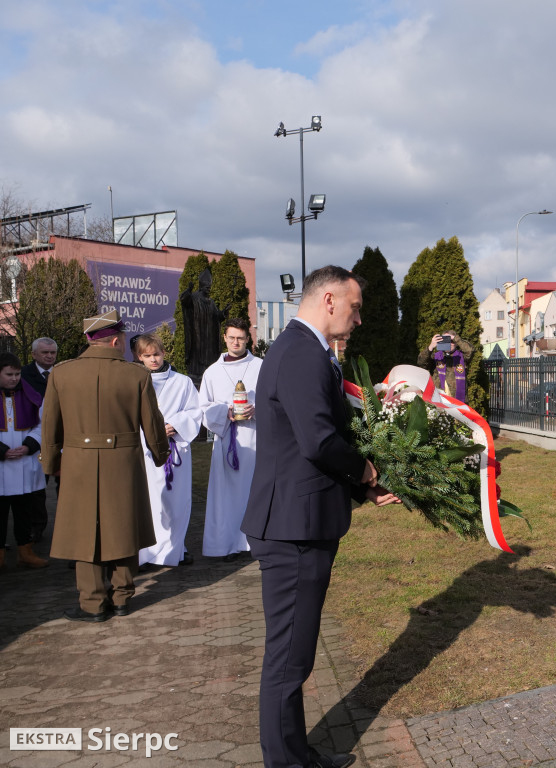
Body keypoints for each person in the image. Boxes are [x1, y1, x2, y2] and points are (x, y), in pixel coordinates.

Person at [241, 266, 398, 768]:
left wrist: (360, 488)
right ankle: (285, 762)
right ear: (329, 300)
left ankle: (294, 754)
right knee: (289, 660)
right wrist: (366, 471)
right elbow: (319, 441)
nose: (357, 320)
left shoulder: (303, 350)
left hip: (298, 520)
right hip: (294, 530)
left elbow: (308, 440)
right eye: (354, 308)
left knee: (295, 657)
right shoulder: (303, 353)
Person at [41, 309, 169, 622]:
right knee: (123, 527)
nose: (125, 344)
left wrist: (51, 463)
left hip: (78, 464)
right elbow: (152, 422)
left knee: (84, 532)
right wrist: (160, 453)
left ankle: (92, 604)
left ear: (89, 340)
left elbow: (50, 425)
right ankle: (123, 597)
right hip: (123, 462)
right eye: (124, 339)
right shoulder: (136, 374)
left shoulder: (61, 372)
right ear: (113, 340)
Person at [132, 333, 203, 568]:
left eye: (156, 354)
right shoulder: (134, 381)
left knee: (176, 501)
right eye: (147, 356)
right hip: (145, 451)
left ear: (163, 353)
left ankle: (176, 548)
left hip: (175, 451)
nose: (153, 360)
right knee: (151, 501)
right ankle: (148, 551)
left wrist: (177, 424)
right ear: (139, 357)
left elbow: (195, 410)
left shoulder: (181, 382)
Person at [199, 318, 261, 560]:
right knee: (226, 494)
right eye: (232, 337)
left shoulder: (260, 366)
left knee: (254, 491)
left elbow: (275, 399)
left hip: (256, 438)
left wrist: (256, 409)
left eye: (241, 338)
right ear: (224, 338)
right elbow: (202, 407)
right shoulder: (212, 372)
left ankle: (254, 542)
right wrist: (224, 413)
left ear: (248, 339)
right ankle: (227, 543)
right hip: (227, 440)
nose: (236, 342)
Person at [0, 352, 48, 570]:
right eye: (9, 374)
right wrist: (1, 450)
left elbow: (42, 423)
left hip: (23, 462)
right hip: (1, 465)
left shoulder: (30, 394)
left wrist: (29, 444)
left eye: (17, 374)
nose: (14, 378)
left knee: (24, 512)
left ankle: (25, 552)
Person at [20, 337, 59, 543]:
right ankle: (36, 528)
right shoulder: (23, 376)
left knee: (65, 485)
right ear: (34, 354)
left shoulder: (63, 373)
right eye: (45, 352)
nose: (49, 356)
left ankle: (65, 527)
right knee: (36, 487)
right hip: (34, 436)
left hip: (62, 437)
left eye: (52, 352)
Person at [417, 329, 474, 401]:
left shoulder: (462, 357)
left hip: (458, 401)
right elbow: (421, 363)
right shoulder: (436, 357)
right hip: (439, 399)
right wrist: (430, 347)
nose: (449, 343)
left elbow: (470, 351)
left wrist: (455, 338)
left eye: (451, 341)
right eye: (445, 340)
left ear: (456, 343)